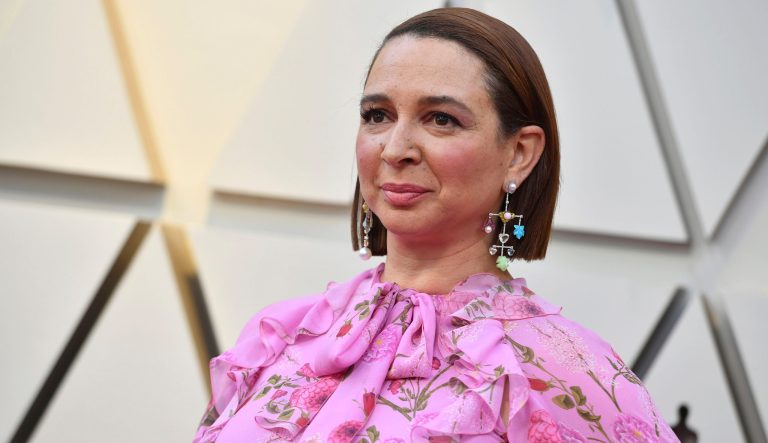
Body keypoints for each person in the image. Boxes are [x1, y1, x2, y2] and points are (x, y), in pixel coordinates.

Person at [194, 7, 679, 443]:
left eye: (441, 119)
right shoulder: (284, 335)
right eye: (377, 115)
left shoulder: (563, 372)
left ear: (519, 153)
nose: (395, 148)